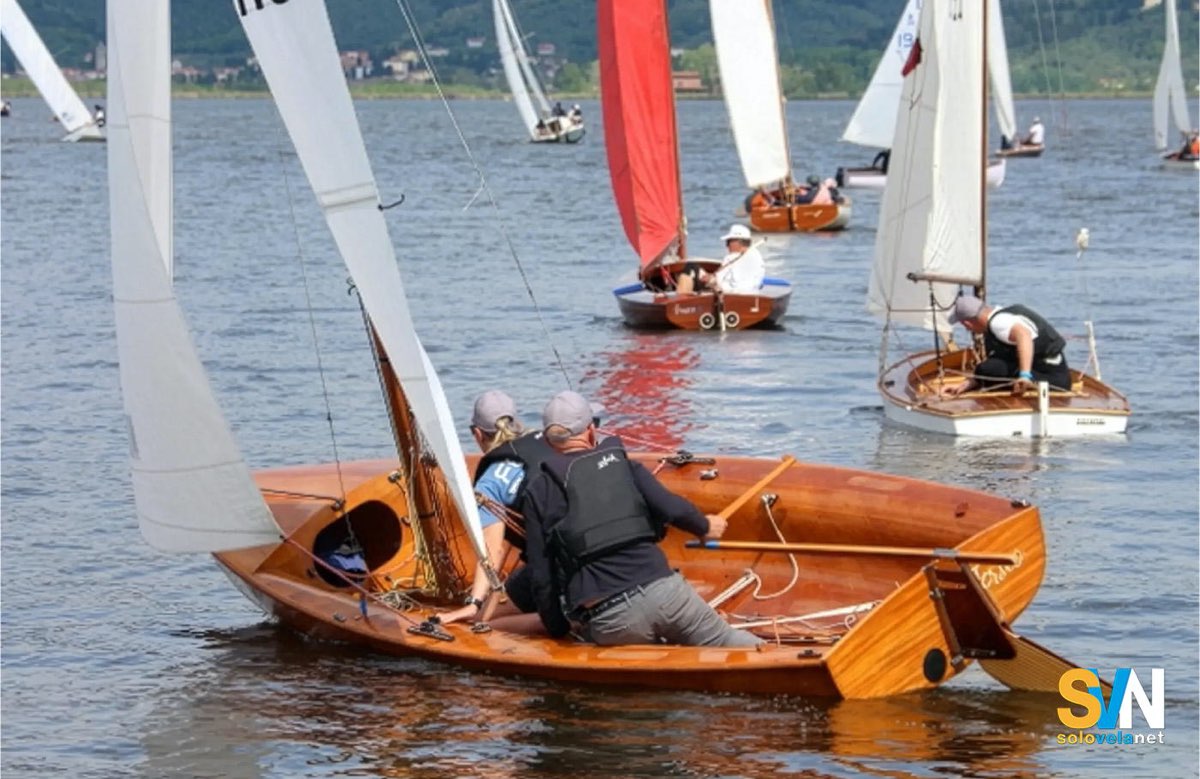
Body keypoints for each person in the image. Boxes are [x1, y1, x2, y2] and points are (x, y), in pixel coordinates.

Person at [521, 391, 762, 648]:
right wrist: (705, 527)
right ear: (592, 431)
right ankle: (775, 659)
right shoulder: (626, 466)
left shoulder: (538, 492)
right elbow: (673, 509)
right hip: (667, 594)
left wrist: (558, 630)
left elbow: (541, 576)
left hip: (612, 619)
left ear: (547, 441)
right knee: (729, 641)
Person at [438, 390, 555, 627]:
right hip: (587, 548)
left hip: (554, 567)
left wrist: (475, 604)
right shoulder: (551, 442)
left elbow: (493, 551)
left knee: (484, 623)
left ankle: (568, 623)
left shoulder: (489, 484)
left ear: (477, 433)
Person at [942, 294, 1070, 396]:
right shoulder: (1004, 314)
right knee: (988, 368)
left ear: (967, 324)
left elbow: (1023, 335)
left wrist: (1025, 376)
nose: (967, 329)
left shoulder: (998, 323)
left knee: (988, 369)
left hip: (1053, 381)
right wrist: (966, 385)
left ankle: (1030, 382)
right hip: (1059, 376)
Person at [675, 223, 765, 295]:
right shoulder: (749, 256)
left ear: (738, 242)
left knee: (690, 268)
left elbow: (735, 286)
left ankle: (680, 304)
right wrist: (712, 279)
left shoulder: (742, 258)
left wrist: (713, 281)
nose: (726, 245)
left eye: (728, 242)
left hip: (732, 297)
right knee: (692, 268)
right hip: (738, 293)